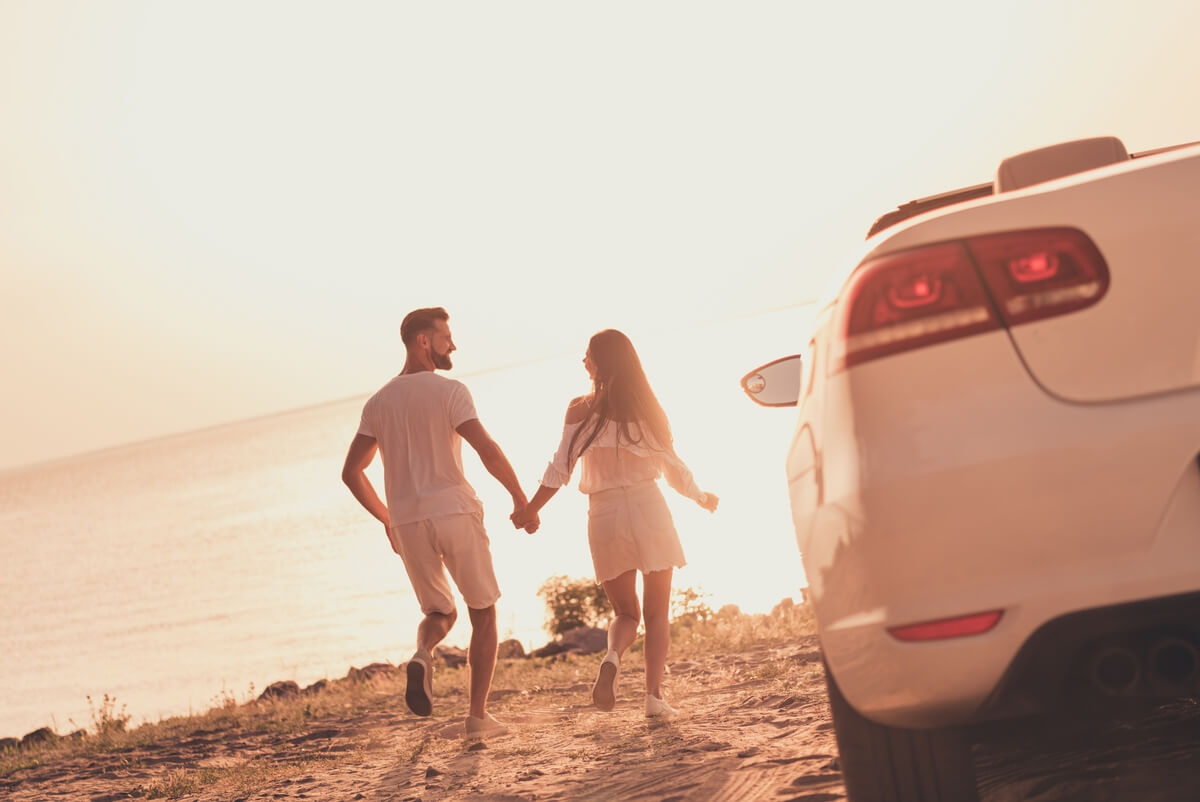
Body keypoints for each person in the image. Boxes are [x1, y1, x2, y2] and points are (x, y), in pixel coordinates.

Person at [341, 306, 534, 739]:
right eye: (446, 336)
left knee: (439, 611)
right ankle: (477, 717)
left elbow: (351, 472)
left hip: (408, 523)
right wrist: (520, 498)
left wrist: (388, 519)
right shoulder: (450, 392)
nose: (453, 345)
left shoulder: (377, 403)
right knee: (483, 613)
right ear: (423, 341)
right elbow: (487, 449)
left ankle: (423, 652)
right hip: (454, 512)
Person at [511, 329, 718, 719]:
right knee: (658, 615)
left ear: (601, 362)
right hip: (649, 507)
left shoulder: (578, 410)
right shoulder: (648, 410)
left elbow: (560, 469)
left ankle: (611, 656)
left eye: (587, 355)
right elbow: (673, 469)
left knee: (627, 614)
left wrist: (530, 509)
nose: (583, 361)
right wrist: (701, 497)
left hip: (604, 515)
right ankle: (653, 698)